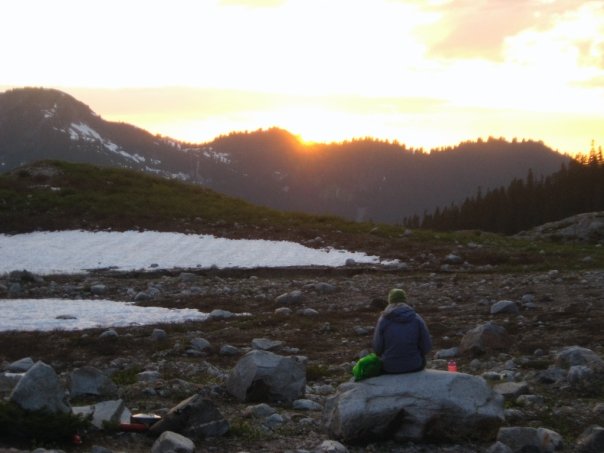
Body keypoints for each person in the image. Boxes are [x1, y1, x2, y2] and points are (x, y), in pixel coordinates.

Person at [372, 288, 432, 373]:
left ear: (390, 301)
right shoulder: (416, 318)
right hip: (414, 365)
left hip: (389, 367)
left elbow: (377, 348)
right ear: (405, 301)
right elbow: (427, 347)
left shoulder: (383, 320)